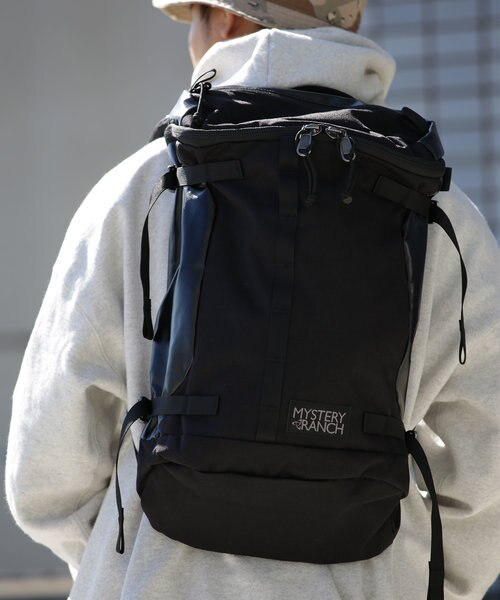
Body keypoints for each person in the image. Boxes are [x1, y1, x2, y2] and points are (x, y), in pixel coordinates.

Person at [5, 0, 500, 598]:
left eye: (193, 16)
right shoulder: (439, 208)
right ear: (350, 19)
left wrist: (122, 563)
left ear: (227, 18)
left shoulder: (141, 188)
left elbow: (46, 465)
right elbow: (486, 467)